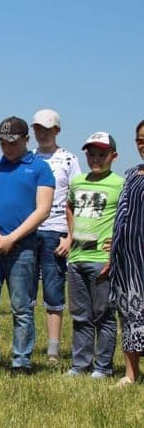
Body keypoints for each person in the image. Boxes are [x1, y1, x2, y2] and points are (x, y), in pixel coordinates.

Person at [0, 116, 56, 375]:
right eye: (3, 142)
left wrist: (11, 238)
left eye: (13, 142)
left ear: (25, 140)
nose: (7, 147)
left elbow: (42, 210)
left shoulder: (40, 168)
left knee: (21, 306)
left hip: (23, 245)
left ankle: (21, 361)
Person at [65, 132, 121, 379]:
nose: (96, 159)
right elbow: (69, 206)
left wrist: (115, 249)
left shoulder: (120, 184)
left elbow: (128, 217)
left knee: (104, 315)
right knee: (80, 316)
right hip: (77, 258)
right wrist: (70, 235)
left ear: (114, 156)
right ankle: (80, 364)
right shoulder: (77, 182)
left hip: (102, 260)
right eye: (91, 154)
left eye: (102, 154)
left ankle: (103, 367)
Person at [31, 109, 83, 362]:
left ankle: (53, 350)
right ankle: (26, 344)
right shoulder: (27, 159)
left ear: (57, 131)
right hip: (29, 231)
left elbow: (77, 199)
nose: (42, 134)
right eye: (38, 129)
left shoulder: (69, 160)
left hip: (56, 230)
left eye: (47, 129)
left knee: (53, 291)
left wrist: (70, 237)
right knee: (25, 291)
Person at [109, 121, 144, 388]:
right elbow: (122, 214)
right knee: (130, 314)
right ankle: (131, 374)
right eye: (140, 140)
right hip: (129, 259)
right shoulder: (131, 174)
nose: (143, 144)